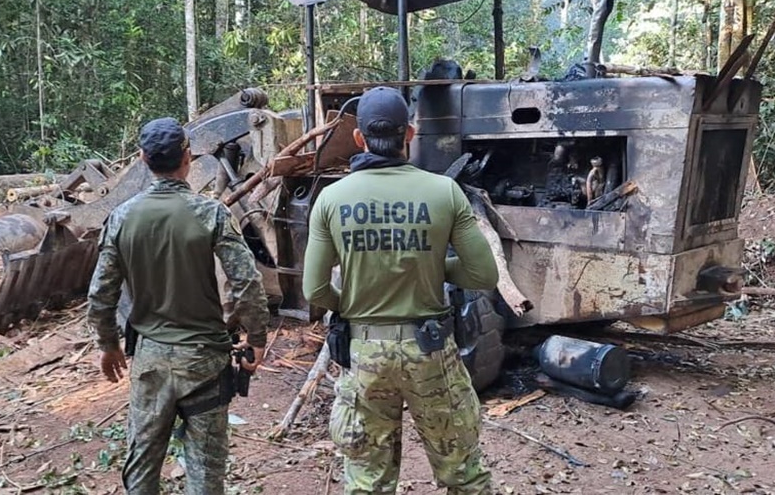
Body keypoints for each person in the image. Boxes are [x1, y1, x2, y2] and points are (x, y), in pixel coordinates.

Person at [302, 86, 499, 495]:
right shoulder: (444, 192)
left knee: (367, 480)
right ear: (409, 133)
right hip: (430, 353)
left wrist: (353, 305)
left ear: (359, 138)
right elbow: (483, 274)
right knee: (463, 473)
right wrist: (432, 267)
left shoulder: (331, 199)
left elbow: (315, 289)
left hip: (365, 354)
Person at [87, 117, 269, 495]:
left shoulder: (121, 218)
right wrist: (256, 337)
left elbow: (101, 294)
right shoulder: (211, 213)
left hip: (150, 363)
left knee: (142, 466)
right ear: (188, 157)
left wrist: (108, 345)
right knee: (205, 471)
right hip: (204, 362)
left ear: (142, 158)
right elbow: (247, 281)